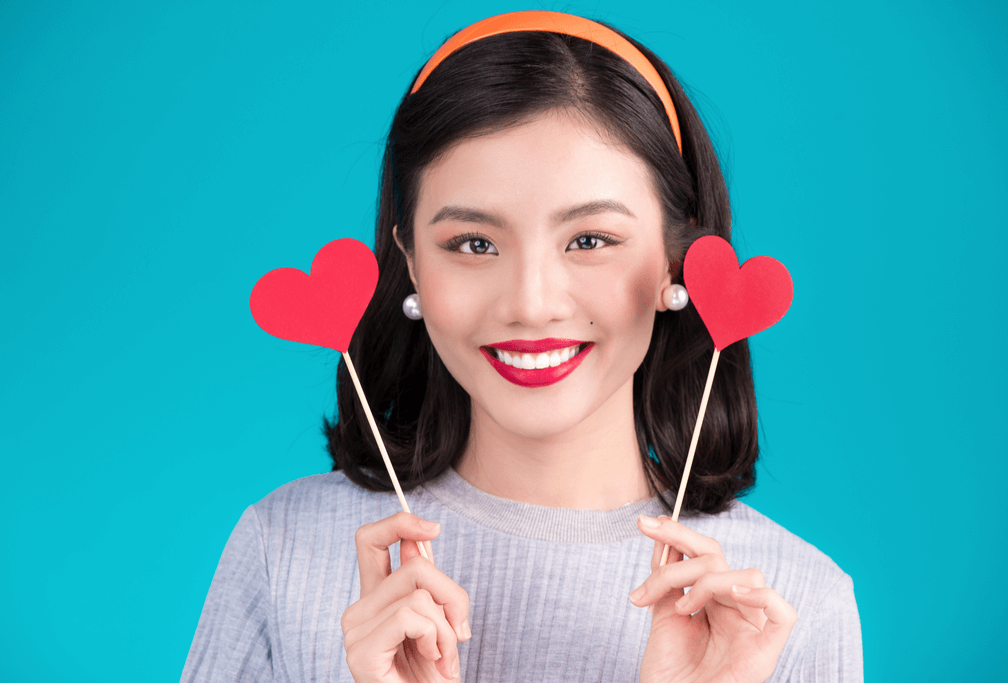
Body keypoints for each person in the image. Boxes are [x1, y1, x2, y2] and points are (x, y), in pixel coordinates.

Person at [181, 11, 862, 683]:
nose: (531, 304)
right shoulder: (281, 551)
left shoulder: (788, 610)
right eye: (474, 244)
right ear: (412, 262)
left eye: (589, 240)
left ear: (676, 262)